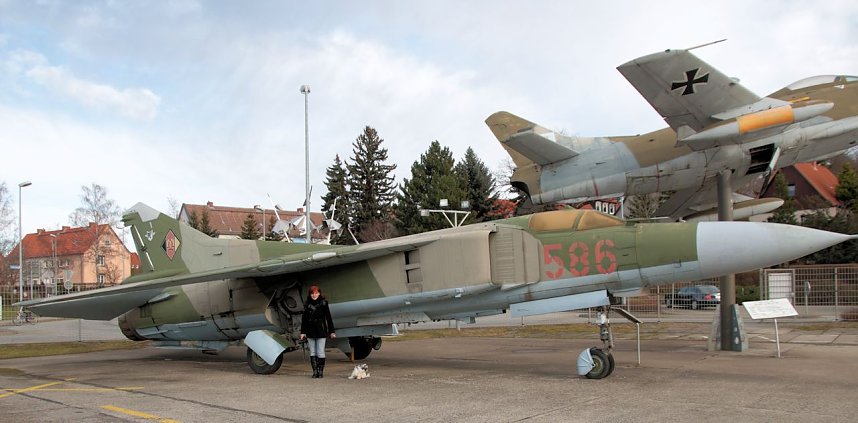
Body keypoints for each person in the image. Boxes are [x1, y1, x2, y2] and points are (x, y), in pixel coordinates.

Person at [300, 285, 336, 378]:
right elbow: (304, 319)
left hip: (321, 330)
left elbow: (328, 318)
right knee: (312, 352)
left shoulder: (324, 303)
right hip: (310, 330)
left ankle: (320, 372)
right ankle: (315, 371)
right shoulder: (307, 304)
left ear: (319, 293)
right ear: (310, 294)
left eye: (316, 293)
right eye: (312, 293)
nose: (314, 295)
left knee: (320, 352)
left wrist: (332, 331)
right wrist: (302, 332)